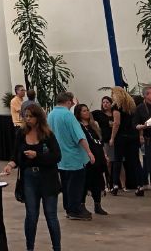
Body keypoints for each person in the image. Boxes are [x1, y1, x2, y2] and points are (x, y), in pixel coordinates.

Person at [1, 104, 63, 251]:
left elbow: (56, 156)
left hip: (48, 177)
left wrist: (37, 156)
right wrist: (10, 165)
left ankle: (57, 247)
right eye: (26, 116)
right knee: (31, 215)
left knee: (51, 215)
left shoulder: (48, 135)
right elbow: (15, 155)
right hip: (29, 177)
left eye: (31, 116)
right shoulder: (21, 134)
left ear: (38, 118)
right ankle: (30, 248)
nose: (28, 119)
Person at [47, 90, 93, 221]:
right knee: (75, 186)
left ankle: (69, 208)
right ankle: (75, 210)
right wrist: (89, 152)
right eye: (72, 102)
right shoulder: (68, 116)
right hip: (74, 157)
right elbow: (79, 136)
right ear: (68, 102)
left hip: (60, 158)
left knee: (66, 185)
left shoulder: (51, 115)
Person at [75, 103, 110, 215]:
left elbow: (100, 142)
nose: (87, 112)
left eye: (87, 110)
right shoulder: (78, 126)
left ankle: (97, 205)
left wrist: (104, 154)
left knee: (97, 181)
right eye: (84, 111)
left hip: (98, 155)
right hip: (86, 157)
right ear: (79, 113)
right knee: (85, 182)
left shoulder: (93, 125)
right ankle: (81, 205)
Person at [108, 86, 144, 195]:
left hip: (121, 137)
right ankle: (140, 186)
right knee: (135, 161)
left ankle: (115, 185)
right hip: (133, 136)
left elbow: (117, 123)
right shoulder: (132, 106)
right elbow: (138, 121)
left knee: (117, 161)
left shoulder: (116, 106)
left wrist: (112, 137)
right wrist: (140, 135)